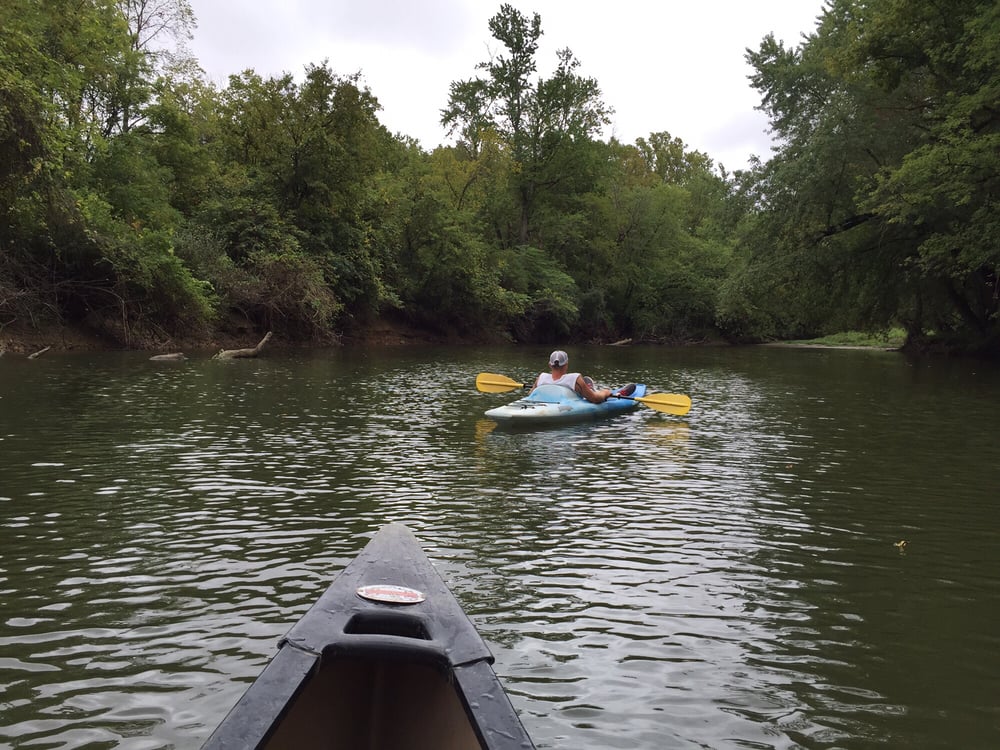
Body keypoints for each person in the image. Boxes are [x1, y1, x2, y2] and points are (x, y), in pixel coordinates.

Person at [532, 350, 613, 403]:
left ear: (550, 365)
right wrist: (605, 393)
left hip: (547, 403)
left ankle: (589, 389)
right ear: (566, 364)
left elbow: (530, 396)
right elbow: (595, 399)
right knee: (594, 393)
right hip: (565, 402)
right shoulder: (574, 379)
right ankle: (590, 389)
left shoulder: (541, 378)